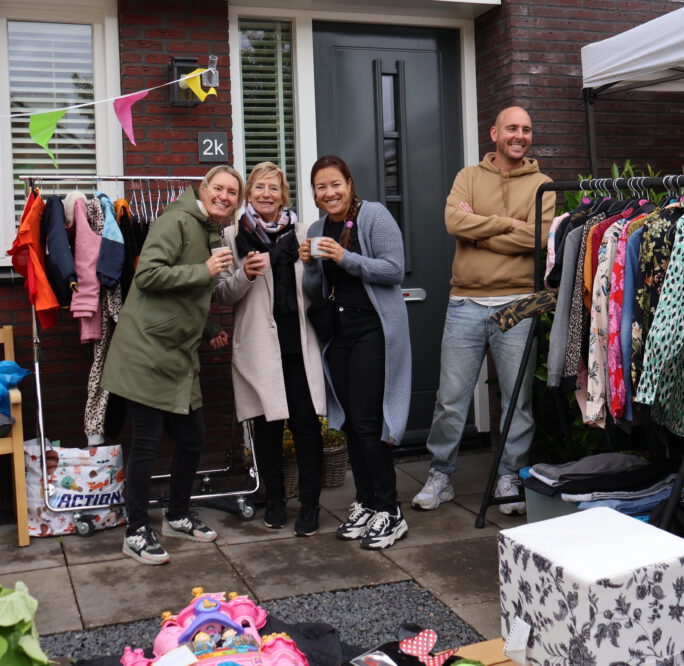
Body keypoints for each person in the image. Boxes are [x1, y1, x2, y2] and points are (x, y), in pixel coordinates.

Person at [411, 106, 554, 515]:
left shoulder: (542, 184)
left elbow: (537, 240)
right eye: (512, 128)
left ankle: (510, 476)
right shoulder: (468, 177)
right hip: (465, 303)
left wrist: (481, 228)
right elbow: (454, 223)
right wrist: (509, 223)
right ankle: (441, 475)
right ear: (494, 133)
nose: (520, 135)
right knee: (450, 399)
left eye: (526, 129)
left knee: (516, 402)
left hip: (518, 304)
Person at [102, 165, 243, 565]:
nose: (224, 196)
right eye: (219, 188)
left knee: (192, 437)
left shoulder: (209, 229)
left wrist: (209, 328)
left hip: (178, 353)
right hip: (146, 351)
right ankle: (135, 532)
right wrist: (204, 270)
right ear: (204, 188)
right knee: (146, 443)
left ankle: (177, 515)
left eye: (232, 192)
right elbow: (147, 275)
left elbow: (188, 295)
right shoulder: (175, 220)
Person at [300, 155, 412, 550]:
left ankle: (390, 510)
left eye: (336, 184)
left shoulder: (374, 215)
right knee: (348, 421)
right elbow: (314, 289)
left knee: (368, 421)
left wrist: (343, 257)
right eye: (321, 187)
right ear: (314, 193)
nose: (329, 192)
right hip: (338, 334)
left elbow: (394, 270)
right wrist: (310, 265)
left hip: (372, 330)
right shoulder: (317, 228)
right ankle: (366, 502)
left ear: (349, 183)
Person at [214, 162, 327, 536]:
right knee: (267, 428)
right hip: (260, 347)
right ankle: (275, 500)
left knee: (306, 426)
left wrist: (313, 266)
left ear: (283, 196)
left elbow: (319, 286)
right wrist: (246, 273)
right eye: (260, 187)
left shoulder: (304, 234)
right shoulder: (232, 237)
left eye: (273, 188)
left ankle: (309, 504)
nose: (266, 194)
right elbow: (221, 294)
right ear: (249, 194)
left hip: (299, 344)